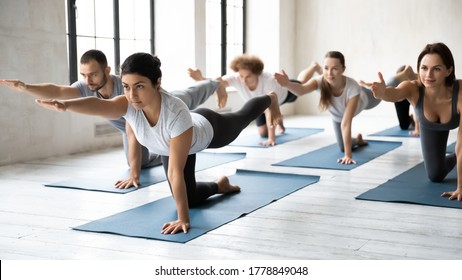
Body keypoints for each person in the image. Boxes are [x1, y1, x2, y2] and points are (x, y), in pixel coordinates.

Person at [35, 52, 282, 234]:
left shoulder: (175, 112)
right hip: (170, 145)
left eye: (140, 86)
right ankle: (221, 185)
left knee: (240, 118)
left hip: (206, 130)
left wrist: (183, 219)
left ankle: (269, 98)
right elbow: (100, 105)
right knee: (191, 196)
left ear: (157, 82)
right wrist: (65, 105)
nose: (132, 95)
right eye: (128, 87)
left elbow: (175, 171)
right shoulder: (127, 104)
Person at [0, 49, 225, 189]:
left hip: (160, 109)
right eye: (84, 75)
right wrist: (25, 87)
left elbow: (131, 132)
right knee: (138, 160)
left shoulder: (123, 88)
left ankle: (215, 82)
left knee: (192, 94)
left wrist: (134, 176)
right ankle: (167, 148)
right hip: (138, 130)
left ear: (106, 70)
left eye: (93, 74)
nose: (88, 80)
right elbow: (58, 91)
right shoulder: (86, 86)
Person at [360, 42, 462, 202]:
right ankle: (454, 157)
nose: (428, 75)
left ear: (448, 70)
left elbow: (461, 144)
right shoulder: (413, 88)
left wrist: (460, 187)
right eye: (424, 68)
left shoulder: (460, 93)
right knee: (435, 175)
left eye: (436, 69)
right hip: (430, 127)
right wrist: (383, 93)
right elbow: (395, 93)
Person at [188, 54, 322, 146]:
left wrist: (272, 139)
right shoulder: (236, 78)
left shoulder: (269, 81)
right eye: (241, 76)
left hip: (284, 94)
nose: (243, 80)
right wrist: (201, 78)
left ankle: (313, 66)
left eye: (248, 77)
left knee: (302, 82)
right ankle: (280, 123)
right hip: (261, 104)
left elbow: (271, 108)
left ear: (257, 73)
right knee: (262, 133)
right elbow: (217, 83)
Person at [274, 51, 380, 165]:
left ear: (343, 69)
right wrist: (287, 84)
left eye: (334, 68)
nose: (329, 73)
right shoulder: (319, 81)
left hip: (366, 98)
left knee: (383, 93)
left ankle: (391, 80)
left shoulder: (352, 86)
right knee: (342, 147)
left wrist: (348, 155)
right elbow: (302, 90)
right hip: (337, 116)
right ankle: (358, 139)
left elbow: (346, 122)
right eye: (326, 68)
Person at [389, 65, 420, 136]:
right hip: (402, 97)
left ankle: (416, 120)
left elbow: (417, 108)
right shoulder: (398, 88)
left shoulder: (415, 84)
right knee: (404, 126)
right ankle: (410, 118)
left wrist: (417, 129)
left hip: (412, 93)